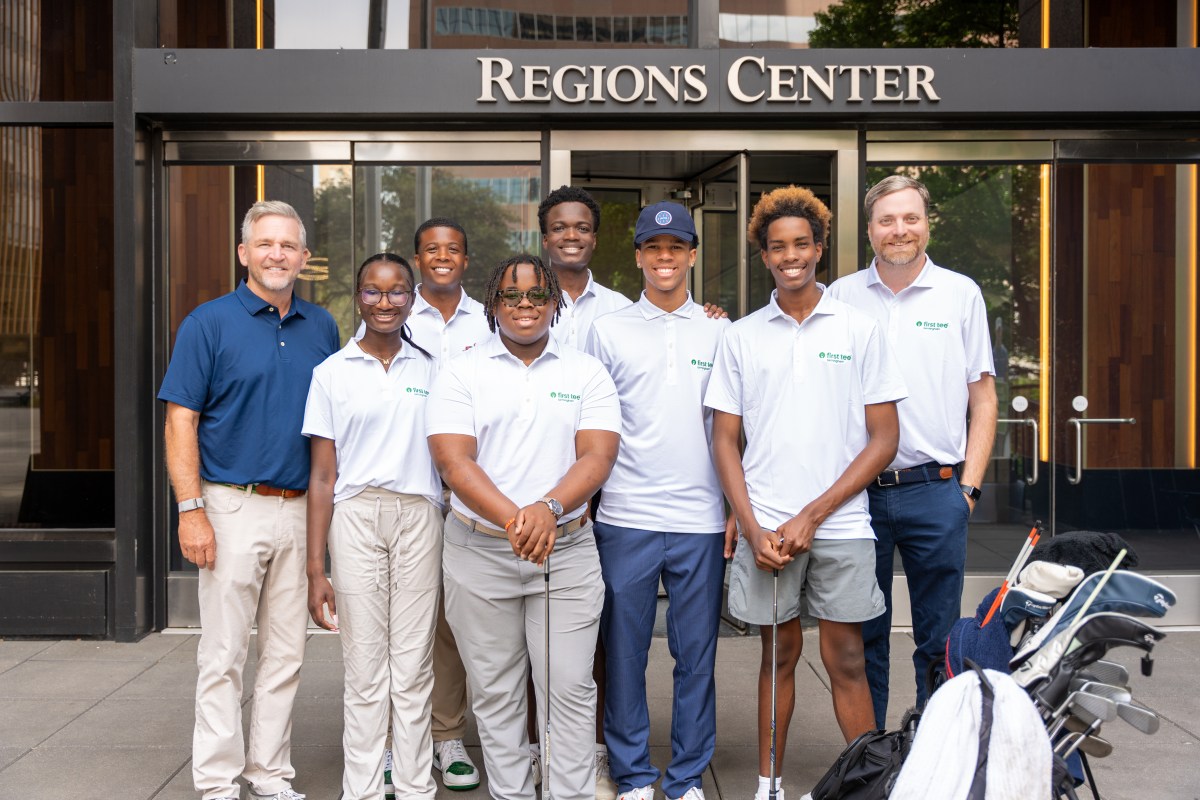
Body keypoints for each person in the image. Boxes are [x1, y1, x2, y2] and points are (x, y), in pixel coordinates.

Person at [704, 186, 905, 800]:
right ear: (762, 255)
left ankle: (869, 787)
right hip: (765, 531)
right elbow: (723, 441)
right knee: (778, 658)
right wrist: (752, 523)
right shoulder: (740, 336)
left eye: (801, 244)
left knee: (847, 659)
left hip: (842, 527)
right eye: (777, 246)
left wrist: (812, 515)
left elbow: (884, 439)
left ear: (819, 248)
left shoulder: (861, 328)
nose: (790, 255)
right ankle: (769, 787)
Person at [160, 200, 339, 800]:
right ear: (244, 252)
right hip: (231, 505)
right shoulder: (207, 323)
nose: (277, 254)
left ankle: (270, 773)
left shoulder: (323, 327)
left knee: (286, 654)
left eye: (288, 245)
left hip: (300, 510)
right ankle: (215, 782)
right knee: (224, 654)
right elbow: (180, 420)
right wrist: (192, 511)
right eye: (265, 244)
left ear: (304, 258)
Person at [427, 254, 620, 800]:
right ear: (493, 304)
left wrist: (548, 511)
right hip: (479, 551)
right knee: (496, 691)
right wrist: (519, 519)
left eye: (538, 295)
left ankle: (570, 793)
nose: (525, 305)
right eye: (512, 296)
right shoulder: (462, 369)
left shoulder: (585, 371)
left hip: (568, 550)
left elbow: (598, 456)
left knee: (570, 687)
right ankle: (510, 793)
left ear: (555, 304)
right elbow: (454, 462)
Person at [828, 175, 998, 729]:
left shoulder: (960, 294)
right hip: (859, 498)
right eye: (887, 221)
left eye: (910, 219)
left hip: (936, 491)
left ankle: (932, 755)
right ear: (870, 229)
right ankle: (873, 759)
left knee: (938, 641)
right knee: (864, 637)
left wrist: (967, 489)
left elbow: (983, 396)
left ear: (927, 223)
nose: (899, 230)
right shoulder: (841, 297)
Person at [583, 202, 730, 800]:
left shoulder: (722, 330)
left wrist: (733, 511)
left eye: (676, 248)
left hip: (700, 518)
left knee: (696, 656)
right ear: (639, 255)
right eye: (653, 248)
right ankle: (635, 773)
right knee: (624, 655)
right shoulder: (609, 327)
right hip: (625, 515)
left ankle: (688, 776)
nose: (664, 258)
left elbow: (730, 428)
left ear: (692, 255)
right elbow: (588, 422)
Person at [355, 218, 489, 793]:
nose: (442, 257)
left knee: (447, 626)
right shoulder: (384, 316)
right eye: (431, 250)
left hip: (461, 496)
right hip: (399, 493)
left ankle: (445, 734)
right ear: (416, 258)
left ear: (465, 258)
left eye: (452, 249)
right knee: (388, 627)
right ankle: (387, 744)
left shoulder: (488, 320)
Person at [304, 253, 442, 800]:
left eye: (397, 292)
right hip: (356, 517)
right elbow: (321, 475)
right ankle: (359, 789)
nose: (385, 302)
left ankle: (413, 788)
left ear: (412, 297)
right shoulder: (331, 373)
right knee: (365, 667)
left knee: (411, 666)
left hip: (419, 515)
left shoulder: (434, 369)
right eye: (372, 292)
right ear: (357, 297)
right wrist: (317, 568)